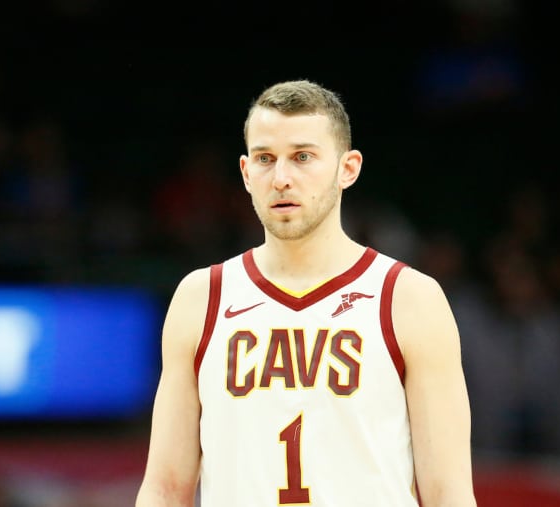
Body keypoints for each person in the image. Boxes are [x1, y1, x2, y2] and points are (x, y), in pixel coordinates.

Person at [135, 79, 477, 506]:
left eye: (302, 157)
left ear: (348, 168)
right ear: (245, 172)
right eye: (265, 158)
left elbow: (448, 493)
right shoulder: (201, 298)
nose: (281, 178)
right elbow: (165, 488)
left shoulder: (409, 298)